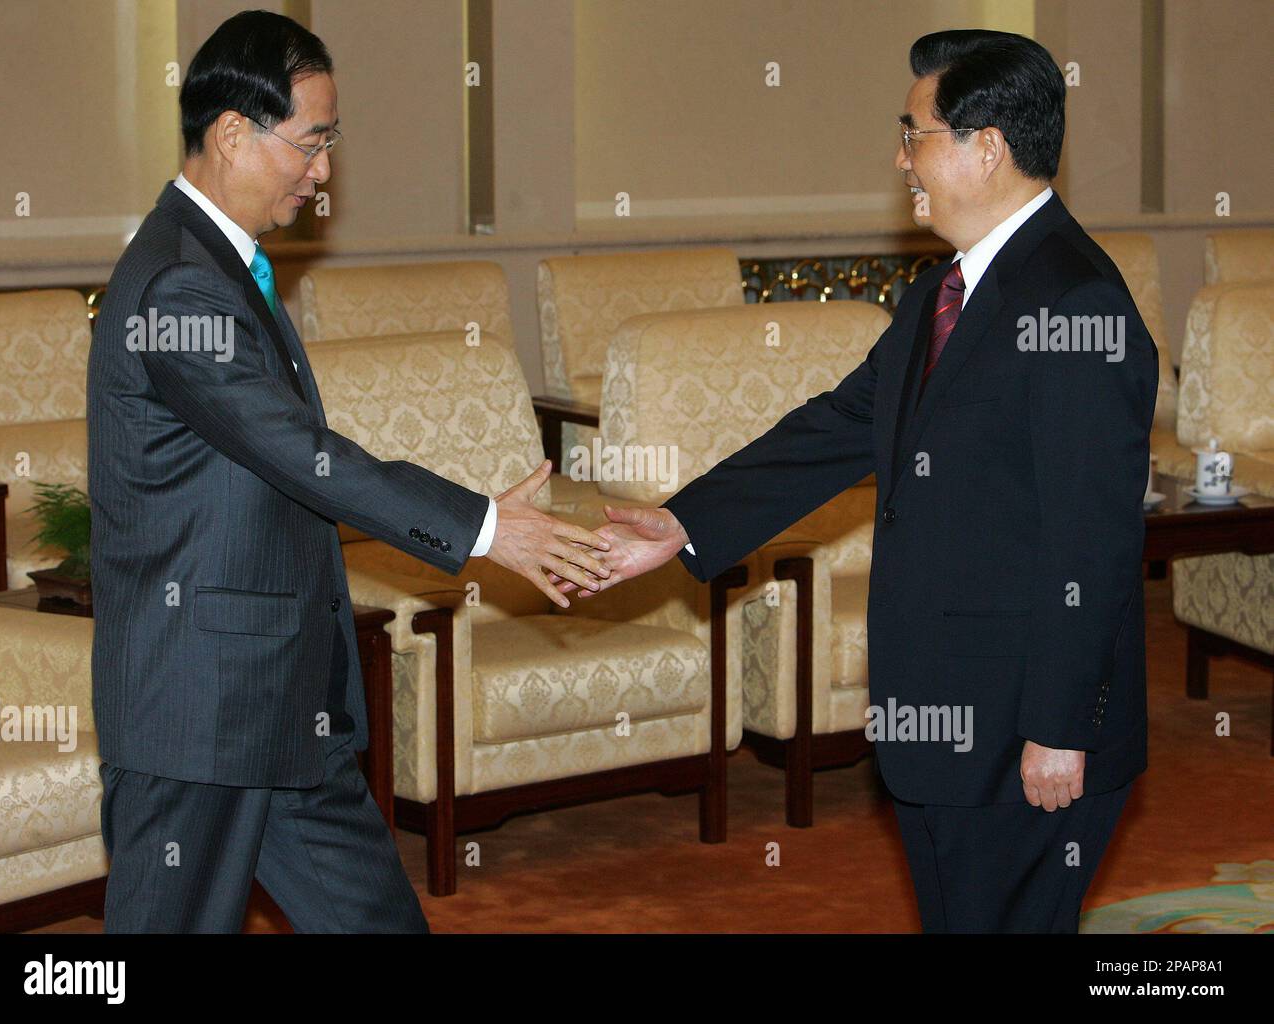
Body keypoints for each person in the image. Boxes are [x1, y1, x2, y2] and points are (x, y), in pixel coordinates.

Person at [558, 29, 1156, 933]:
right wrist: (684, 525)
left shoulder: (1077, 303)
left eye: (913, 133)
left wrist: (1061, 727)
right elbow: (838, 427)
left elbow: (1094, 540)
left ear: (985, 145)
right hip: (940, 724)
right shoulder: (941, 292)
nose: (900, 159)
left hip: (1018, 727)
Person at [87, 10, 610, 933]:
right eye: (313, 142)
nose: (324, 171)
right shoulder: (178, 283)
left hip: (283, 700)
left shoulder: (224, 264)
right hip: (201, 711)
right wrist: (483, 527)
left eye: (331, 141)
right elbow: (301, 454)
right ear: (233, 133)